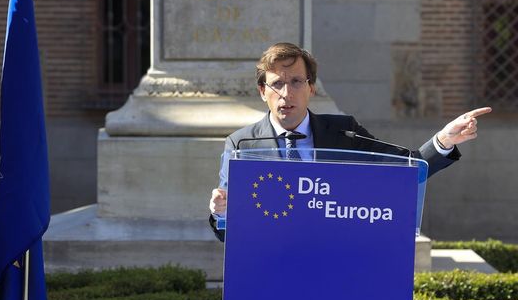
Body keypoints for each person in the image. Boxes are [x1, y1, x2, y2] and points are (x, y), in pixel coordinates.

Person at [208, 42, 491, 241]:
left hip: (338, 262)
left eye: (296, 82)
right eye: (277, 84)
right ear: (262, 91)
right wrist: (221, 213)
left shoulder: (344, 133)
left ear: (311, 88)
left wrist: (443, 139)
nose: (286, 94)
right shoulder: (241, 144)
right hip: (272, 268)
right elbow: (227, 230)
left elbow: (404, 169)